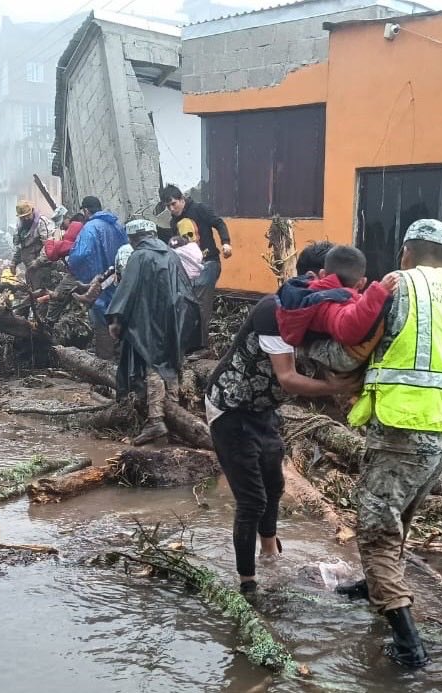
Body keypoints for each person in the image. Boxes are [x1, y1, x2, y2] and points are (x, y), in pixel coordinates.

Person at [337, 219, 442, 670]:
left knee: (377, 528)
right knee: (402, 514)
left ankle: (408, 643)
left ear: (405, 253)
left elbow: (355, 339)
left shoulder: (399, 286)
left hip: (404, 423)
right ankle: (373, 584)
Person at [205, 243, 359, 595]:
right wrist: (336, 386)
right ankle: (248, 585)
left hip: (263, 408)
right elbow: (288, 378)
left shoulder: (322, 315)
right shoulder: (274, 311)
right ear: (315, 278)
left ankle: (270, 553)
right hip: (230, 405)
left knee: (274, 484)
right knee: (252, 500)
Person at [106, 219, 201, 445]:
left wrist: (116, 319)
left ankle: (156, 420)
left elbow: (127, 289)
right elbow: (186, 289)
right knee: (171, 362)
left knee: (154, 364)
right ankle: (175, 417)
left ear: (133, 238)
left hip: (150, 320)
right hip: (175, 317)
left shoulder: (139, 256)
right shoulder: (171, 254)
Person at [276, 245, 395, 347]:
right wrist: (379, 292)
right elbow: (349, 329)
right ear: (362, 283)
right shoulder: (331, 302)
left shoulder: (307, 292)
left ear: (323, 274)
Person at [160, 184, 232, 348]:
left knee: (200, 302)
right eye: (168, 206)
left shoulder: (200, 209)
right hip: (189, 269)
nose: (172, 209)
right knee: (186, 303)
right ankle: (189, 342)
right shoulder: (174, 223)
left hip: (209, 262)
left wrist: (226, 243)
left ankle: (202, 345)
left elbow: (219, 223)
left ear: (181, 199)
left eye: (174, 204)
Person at [67, 196, 127, 360]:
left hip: (98, 283)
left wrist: (77, 271)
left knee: (102, 322)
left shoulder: (89, 228)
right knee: (119, 318)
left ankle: (105, 364)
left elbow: (79, 255)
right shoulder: (117, 225)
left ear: (86, 211)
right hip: (118, 281)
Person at [11, 199, 55, 290]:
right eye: (23, 217)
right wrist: (14, 262)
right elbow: (20, 246)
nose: (26, 219)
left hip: (42, 267)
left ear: (32, 211)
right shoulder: (20, 226)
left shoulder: (42, 222)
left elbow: (48, 245)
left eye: (27, 216)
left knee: (41, 294)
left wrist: (38, 261)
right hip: (30, 268)